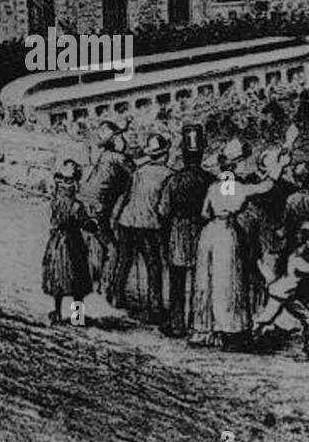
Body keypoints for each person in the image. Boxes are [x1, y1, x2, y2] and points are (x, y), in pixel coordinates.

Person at [189, 138, 275, 349]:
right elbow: (267, 186)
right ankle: (231, 333)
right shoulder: (238, 187)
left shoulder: (214, 186)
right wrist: (279, 165)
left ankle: (204, 331)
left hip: (208, 233)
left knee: (206, 281)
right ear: (236, 165)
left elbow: (204, 213)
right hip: (226, 233)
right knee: (228, 283)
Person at [158, 125, 214, 338]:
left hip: (179, 232)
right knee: (202, 282)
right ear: (201, 154)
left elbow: (163, 210)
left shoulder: (174, 180)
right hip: (203, 232)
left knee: (177, 282)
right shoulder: (211, 180)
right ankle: (199, 323)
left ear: (182, 154)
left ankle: (177, 324)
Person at [109, 133, 173, 319]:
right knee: (154, 265)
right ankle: (155, 307)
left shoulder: (138, 172)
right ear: (165, 154)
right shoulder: (169, 175)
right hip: (148, 225)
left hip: (127, 222)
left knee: (124, 260)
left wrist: (116, 218)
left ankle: (116, 297)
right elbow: (164, 208)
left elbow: (126, 196)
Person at [78, 121, 132, 290]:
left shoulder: (105, 156)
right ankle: (106, 285)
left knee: (92, 245)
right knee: (112, 250)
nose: (124, 140)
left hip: (85, 203)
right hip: (97, 208)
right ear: (114, 140)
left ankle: (91, 281)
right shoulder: (118, 158)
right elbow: (136, 174)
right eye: (120, 136)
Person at [41, 161, 93, 326]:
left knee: (58, 278)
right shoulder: (76, 206)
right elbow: (84, 223)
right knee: (77, 280)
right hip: (72, 243)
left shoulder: (55, 201)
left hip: (56, 242)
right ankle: (78, 316)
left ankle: (57, 312)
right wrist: (92, 223)